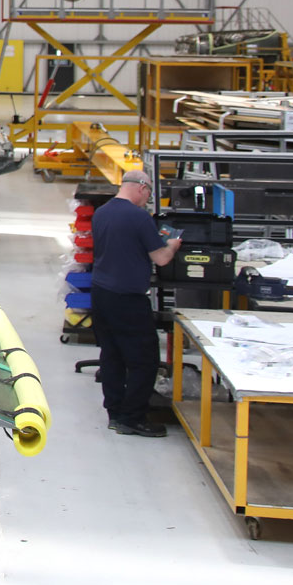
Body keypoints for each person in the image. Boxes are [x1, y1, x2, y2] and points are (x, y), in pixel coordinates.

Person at [88, 171, 180, 437]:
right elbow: (161, 258)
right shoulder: (139, 217)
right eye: (148, 194)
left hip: (101, 293)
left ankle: (115, 413)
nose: (147, 199)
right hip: (127, 298)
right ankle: (133, 418)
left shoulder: (101, 212)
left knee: (112, 355)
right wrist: (173, 245)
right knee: (144, 360)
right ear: (142, 187)